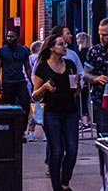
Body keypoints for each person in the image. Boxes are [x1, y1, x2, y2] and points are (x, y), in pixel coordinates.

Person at [32, 34, 81, 191]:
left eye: (64, 44)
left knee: (72, 150)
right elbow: (35, 96)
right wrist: (45, 87)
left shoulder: (70, 64)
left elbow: (75, 92)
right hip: (52, 112)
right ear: (51, 47)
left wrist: (78, 86)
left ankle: (64, 181)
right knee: (57, 151)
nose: (64, 46)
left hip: (70, 111)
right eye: (61, 44)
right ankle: (57, 187)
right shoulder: (43, 67)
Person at [0, 29, 33, 135]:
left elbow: (28, 67)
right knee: (9, 106)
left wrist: (32, 81)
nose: (9, 38)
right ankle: (11, 130)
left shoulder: (23, 51)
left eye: (12, 36)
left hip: (20, 81)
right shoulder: (2, 51)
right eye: (8, 36)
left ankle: (22, 130)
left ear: (17, 37)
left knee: (25, 105)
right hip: (7, 81)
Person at [28, 40, 44, 142]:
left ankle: (30, 134)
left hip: (31, 87)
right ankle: (45, 135)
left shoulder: (29, 58)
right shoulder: (40, 59)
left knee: (32, 111)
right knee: (42, 111)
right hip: (40, 88)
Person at [75, 32, 91, 130]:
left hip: (84, 80)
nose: (76, 41)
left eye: (78, 39)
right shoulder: (90, 51)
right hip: (89, 79)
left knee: (82, 100)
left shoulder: (82, 53)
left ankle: (85, 121)